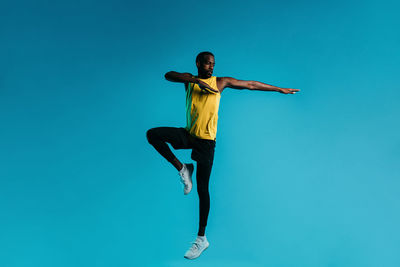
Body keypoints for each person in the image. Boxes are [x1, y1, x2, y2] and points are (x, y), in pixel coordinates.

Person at [146, 51, 299, 260]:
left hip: (206, 142)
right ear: (198, 63)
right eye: (208, 63)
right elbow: (168, 74)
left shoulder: (220, 82)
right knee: (153, 134)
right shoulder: (188, 81)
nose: (211, 67)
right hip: (189, 134)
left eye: (213, 64)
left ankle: (201, 238)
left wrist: (279, 89)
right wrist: (195, 81)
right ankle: (183, 168)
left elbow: (251, 84)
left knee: (202, 188)